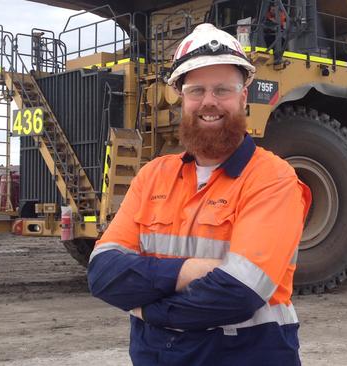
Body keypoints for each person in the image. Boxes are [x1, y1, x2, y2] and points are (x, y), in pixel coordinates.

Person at [87, 23, 311, 365]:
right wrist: (191, 270)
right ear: (181, 97)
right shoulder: (152, 176)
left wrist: (148, 308)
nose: (209, 102)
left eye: (222, 89)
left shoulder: (272, 178)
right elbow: (103, 273)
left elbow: (239, 292)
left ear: (243, 96)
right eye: (196, 90)